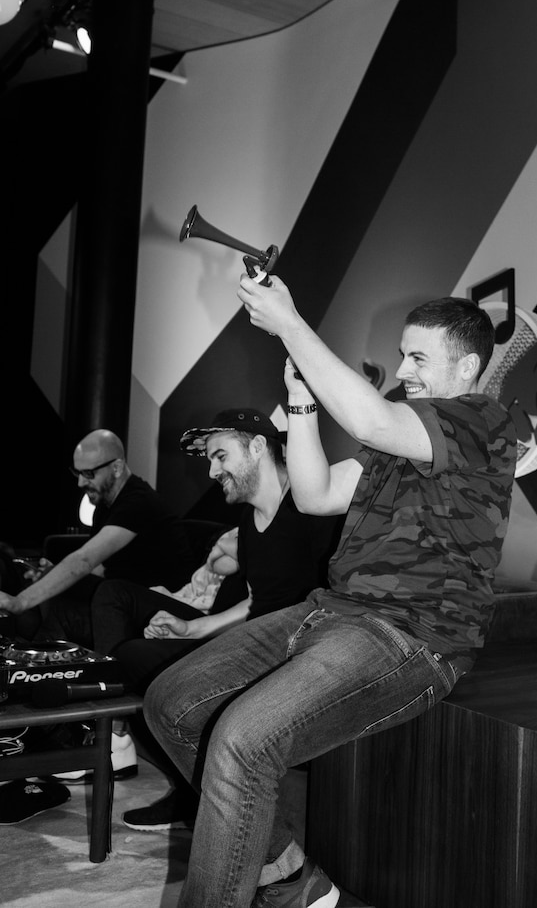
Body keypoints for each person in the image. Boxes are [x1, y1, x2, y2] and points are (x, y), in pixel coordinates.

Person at [144, 276, 517, 908]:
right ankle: (289, 879)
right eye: (402, 355)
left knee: (243, 739)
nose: (403, 370)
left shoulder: (484, 422)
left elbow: (371, 419)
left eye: (418, 357)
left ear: (468, 366)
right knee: (170, 703)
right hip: (331, 613)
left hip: (411, 637)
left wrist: (291, 323)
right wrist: (300, 402)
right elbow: (315, 495)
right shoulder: (400, 441)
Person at [88, 408, 342, 830]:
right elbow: (256, 601)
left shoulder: (312, 509)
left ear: (257, 447)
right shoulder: (249, 519)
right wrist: (192, 627)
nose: (212, 471)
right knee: (127, 645)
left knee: (138, 664)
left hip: (291, 654)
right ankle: (187, 784)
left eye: (220, 456)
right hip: (253, 641)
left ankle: (191, 791)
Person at [0, 429, 201, 648]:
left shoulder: (139, 502)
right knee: (53, 594)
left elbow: (85, 559)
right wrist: (53, 575)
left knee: (89, 599)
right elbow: (102, 567)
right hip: (124, 597)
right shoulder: (105, 504)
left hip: (159, 606)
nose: (80, 482)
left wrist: (19, 602)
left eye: (88, 473)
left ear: (116, 468)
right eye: (77, 473)